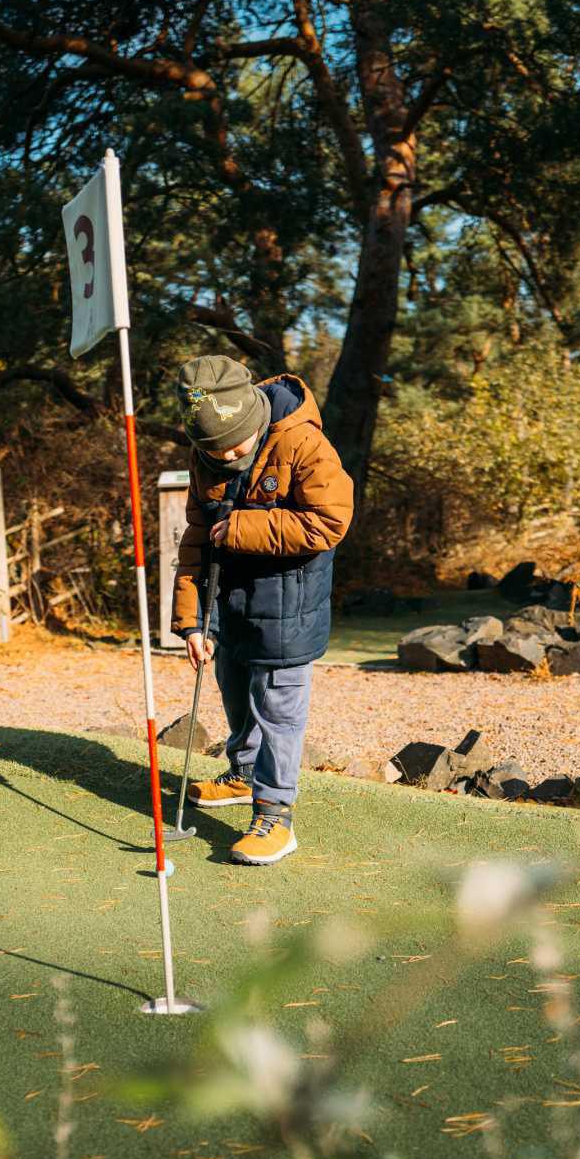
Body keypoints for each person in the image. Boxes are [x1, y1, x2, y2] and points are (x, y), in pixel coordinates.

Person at [170, 353, 354, 865]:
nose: (226, 455)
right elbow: (196, 538)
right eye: (214, 449)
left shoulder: (303, 441)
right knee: (233, 690)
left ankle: (275, 815)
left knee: (277, 711)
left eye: (235, 443)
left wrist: (242, 528)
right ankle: (243, 774)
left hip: (289, 606)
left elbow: (329, 522)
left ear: (253, 415)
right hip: (229, 605)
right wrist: (191, 620)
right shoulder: (205, 453)